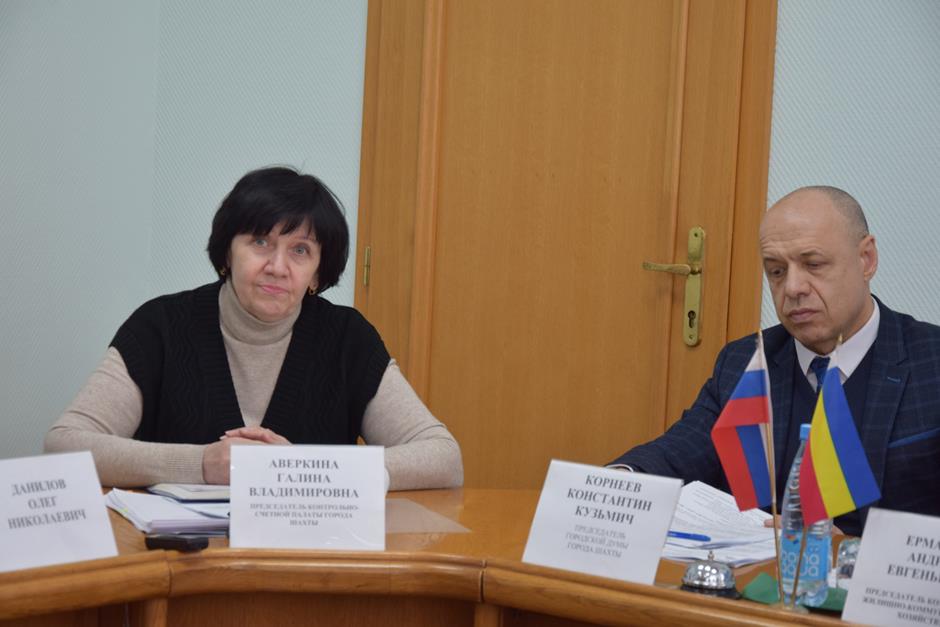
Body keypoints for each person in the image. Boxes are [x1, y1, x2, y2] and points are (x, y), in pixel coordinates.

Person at [45, 166, 463, 490]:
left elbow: (443, 459)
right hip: (179, 560)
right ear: (227, 253)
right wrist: (201, 464)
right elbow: (64, 445)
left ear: (318, 273)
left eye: (300, 250)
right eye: (260, 242)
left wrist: (304, 469)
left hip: (307, 561)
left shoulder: (346, 339)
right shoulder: (161, 327)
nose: (277, 267)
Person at [610, 186, 940, 535]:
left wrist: (851, 548)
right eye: (777, 271)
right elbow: (680, 451)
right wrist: (617, 482)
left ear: (866, 259)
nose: (793, 288)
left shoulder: (931, 362)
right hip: (762, 567)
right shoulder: (747, 361)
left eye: (813, 264)